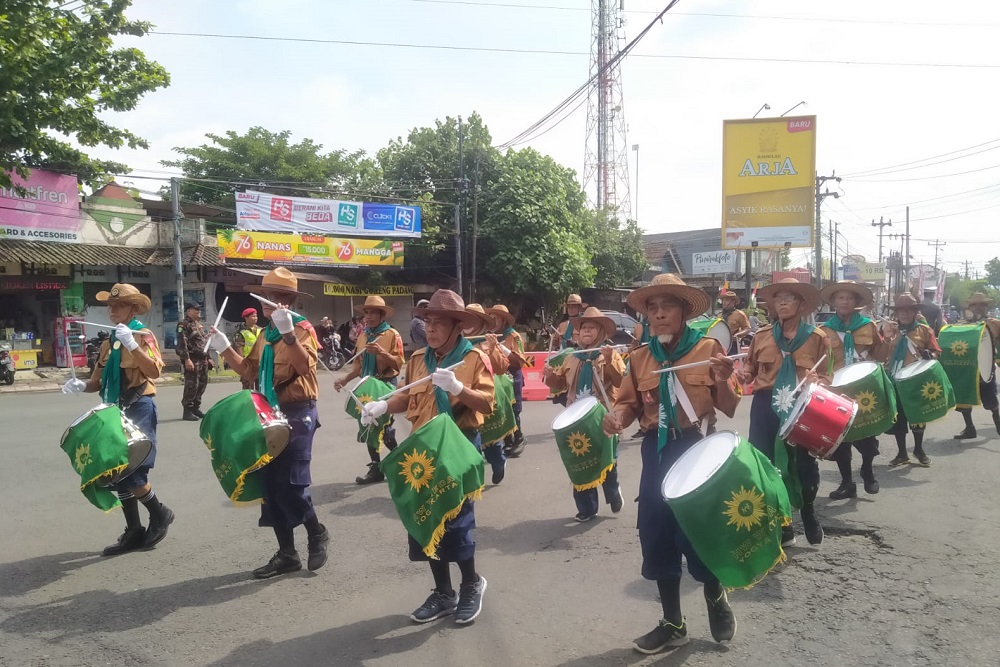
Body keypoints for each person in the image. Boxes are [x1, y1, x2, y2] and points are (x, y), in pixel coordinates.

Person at [602, 274, 738, 653]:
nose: (659, 315)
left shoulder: (709, 349)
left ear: (683, 312)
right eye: (652, 308)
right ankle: (673, 622)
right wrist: (614, 417)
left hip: (697, 450)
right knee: (657, 532)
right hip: (657, 452)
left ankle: (713, 592)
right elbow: (628, 405)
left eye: (667, 307)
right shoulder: (641, 358)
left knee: (698, 532)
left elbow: (728, 406)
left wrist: (725, 380)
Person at [360, 289, 492, 625]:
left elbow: (488, 405)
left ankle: (471, 584)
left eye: (439, 323)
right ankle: (443, 592)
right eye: (427, 322)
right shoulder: (418, 359)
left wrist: (459, 389)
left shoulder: (473, 359)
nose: (430, 329)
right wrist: (382, 406)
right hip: (424, 450)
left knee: (457, 521)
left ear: (457, 327)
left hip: (458, 446)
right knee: (426, 518)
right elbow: (406, 398)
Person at [207, 267, 328, 579]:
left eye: (271, 296)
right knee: (269, 482)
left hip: (298, 409)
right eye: (264, 295)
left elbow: (304, 367)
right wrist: (224, 347)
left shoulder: (301, 329)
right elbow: (248, 372)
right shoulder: (263, 335)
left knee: (291, 481)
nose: (265, 301)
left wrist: (289, 333)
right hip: (266, 411)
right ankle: (287, 553)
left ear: (285, 300)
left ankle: (316, 532)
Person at [61, 283, 174, 555]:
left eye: (119, 305)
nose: (113, 310)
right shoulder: (107, 343)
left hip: (139, 406)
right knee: (116, 471)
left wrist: (132, 344)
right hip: (114, 409)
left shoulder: (142, 335)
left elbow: (154, 371)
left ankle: (159, 514)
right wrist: (80, 385)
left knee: (134, 471)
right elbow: (97, 383)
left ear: (133, 308)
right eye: (110, 306)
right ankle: (134, 530)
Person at [740, 277, 829, 547]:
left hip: (802, 405)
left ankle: (809, 511)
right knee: (765, 464)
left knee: (804, 463)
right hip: (766, 405)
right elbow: (749, 369)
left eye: (789, 297)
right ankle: (783, 522)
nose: (782, 302)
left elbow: (829, 376)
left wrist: (818, 381)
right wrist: (743, 375)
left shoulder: (817, 338)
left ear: (802, 305)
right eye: (778, 298)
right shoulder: (762, 336)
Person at [543, 306, 626, 521]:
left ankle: (613, 493)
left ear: (601, 332)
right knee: (578, 460)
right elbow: (558, 384)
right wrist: (550, 376)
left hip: (602, 416)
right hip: (575, 418)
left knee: (606, 458)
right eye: (583, 327)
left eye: (592, 327)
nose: (586, 331)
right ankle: (587, 507)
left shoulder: (611, 354)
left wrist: (609, 361)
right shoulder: (571, 357)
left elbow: (620, 382)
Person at [819, 280, 884, 499]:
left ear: (856, 302)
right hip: (836, 390)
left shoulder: (869, 326)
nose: (844, 301)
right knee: (840, 439)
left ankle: (867, 469)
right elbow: (819, 362)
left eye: (849, 298)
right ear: (834, 302)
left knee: (867, 435)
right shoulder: (824, 331)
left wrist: (891, 339)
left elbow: (880, 355)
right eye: (840, 298)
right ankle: (847, 483)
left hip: (864, 388)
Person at [335, 295, 405, 484]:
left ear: (382, 315)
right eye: (366, 312)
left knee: (384, 426)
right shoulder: (363, 336)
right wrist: (345, 379)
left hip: (386, 383)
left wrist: (382, 353)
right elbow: (358, 366)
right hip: (367, 384)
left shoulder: (392, 334)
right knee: (367, 423)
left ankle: (401, 460)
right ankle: (376, 467)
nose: (369, 316)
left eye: (373, 312)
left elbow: (399, 363)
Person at [878, 294, 941, 466]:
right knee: (898, 417)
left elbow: (936, 350)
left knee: (917, 415)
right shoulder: (890, 330)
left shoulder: (924, 330)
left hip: (915, 379)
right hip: (894, 378)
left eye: (909, 310)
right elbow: (880, 353)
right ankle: (901, 453)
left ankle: (919, 449)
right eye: (901, 311)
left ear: (915, 312)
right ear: (896, 313)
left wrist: (931, 355)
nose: (905, 314)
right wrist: (887, 337)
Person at [466, 303, 509, 484]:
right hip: (465, 396)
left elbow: (502, 368)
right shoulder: (455, 342)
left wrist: (492, 348)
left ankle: (499, 462)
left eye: (473, 319)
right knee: (469, 441)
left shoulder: (488, 341)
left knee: (490, 443)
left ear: (482, 323)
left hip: (486, 396)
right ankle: (473, 480)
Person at [954, 292, 1000, 439]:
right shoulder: (964, 325)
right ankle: (970, 428)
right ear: (971, 307)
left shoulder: (994, 324)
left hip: (986, 365)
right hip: (968, 366)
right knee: (964, 397)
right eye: (975, 305)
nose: (978, 307)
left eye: (982, 305)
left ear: (986, 307)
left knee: (989, 398)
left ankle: (998, 423)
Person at [486, 304, 527, 458]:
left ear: (504, 320)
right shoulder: (489, 336)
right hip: (497, 379)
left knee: (513, 409)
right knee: (501, 409)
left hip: (512, 377)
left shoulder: (514, 336)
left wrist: (502, 349)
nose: (492, 321)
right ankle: (507, 440)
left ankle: (519, 437)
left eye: (495, 318)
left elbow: (520, 361)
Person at [175, 301, 212, 421]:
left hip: (203, 359)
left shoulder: (198, 325)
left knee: (202, 384)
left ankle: (196, 407)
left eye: (199, 309)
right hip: (193, 359)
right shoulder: (183, 325)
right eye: (196, 309)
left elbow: (203, 342)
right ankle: (187, 410)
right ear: (189, 311)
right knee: (192, 385)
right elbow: (182, 343)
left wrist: (209, 357)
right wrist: (187, 360)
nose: (198, 311)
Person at [234, 307, 262, 391]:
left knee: (260, 389)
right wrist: (242, 363)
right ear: (246, 318)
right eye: (253, 316)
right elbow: (239, 348)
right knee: (248, 390)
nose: (255, 318)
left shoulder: (261, 330)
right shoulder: (241, 332)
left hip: (259, 362)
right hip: (248, 363)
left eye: (256, 316)